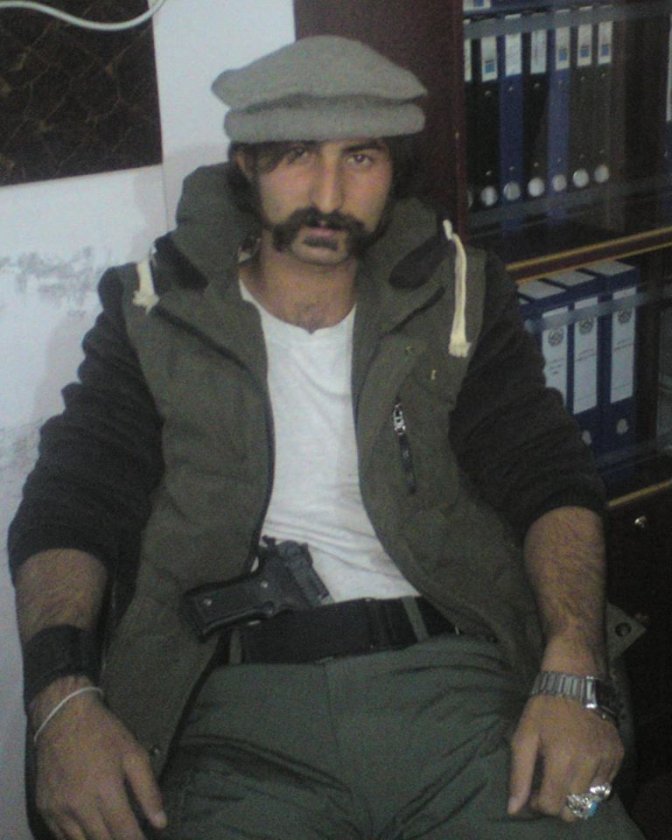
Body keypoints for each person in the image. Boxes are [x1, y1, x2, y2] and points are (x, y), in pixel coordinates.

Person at [8, 35, 644, 840]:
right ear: (245, 164)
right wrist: (61, 700)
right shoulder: (152, 316)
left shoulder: (455, 299)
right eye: (297, 155)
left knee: (588, 821)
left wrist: (575, 669)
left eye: (361, 158)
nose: (329, 194)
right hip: (230, 716)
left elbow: (548, 474)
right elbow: (72, 503)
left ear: (394, 171)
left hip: (457, 692)